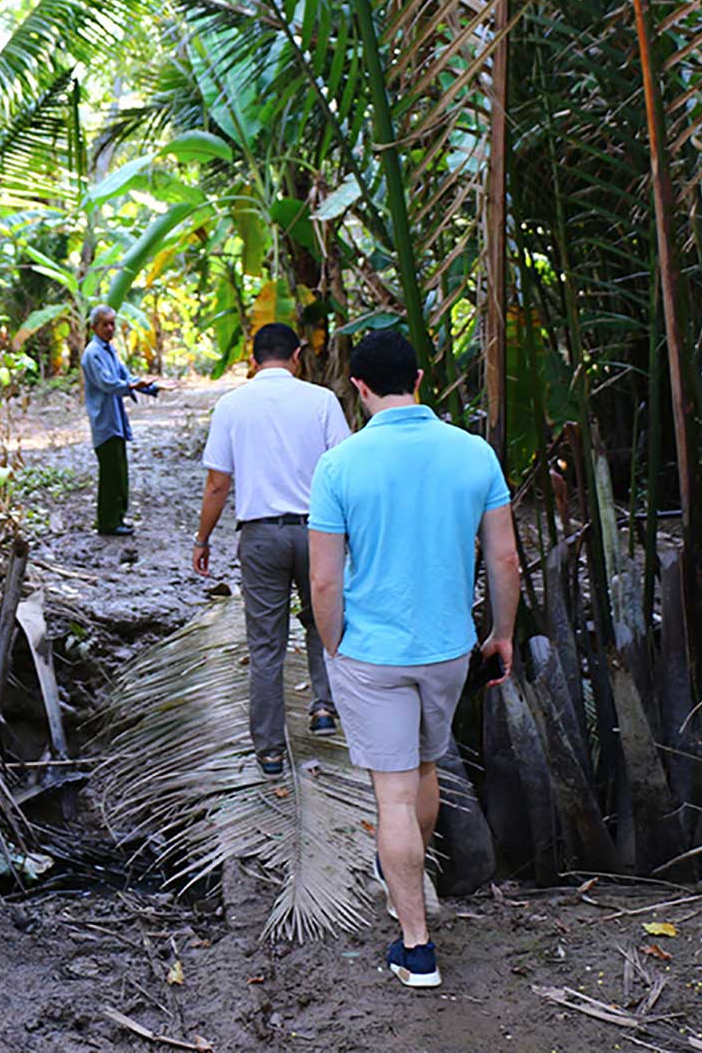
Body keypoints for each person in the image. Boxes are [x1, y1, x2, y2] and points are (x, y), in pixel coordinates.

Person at [307, 330, 519, 991]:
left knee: (393, 793)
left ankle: (417, 947)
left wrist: (334, 644)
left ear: (358, 387)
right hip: (448, 649)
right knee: (424, 768)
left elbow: (323, 581)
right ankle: (408, 871)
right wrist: (502, 634)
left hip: (372, 652)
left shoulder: (339, 465)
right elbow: (505, 557)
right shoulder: (473, 452)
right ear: (420, 380)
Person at [193, 323, 352, 776]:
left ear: (253, 358)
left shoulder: (232, 405)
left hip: (260, 536)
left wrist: (202, 538)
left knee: (266, 644)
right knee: (324, 621)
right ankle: (324, 707)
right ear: (297, 356)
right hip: (319, 531)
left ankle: (269, 750)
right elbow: (344, 469)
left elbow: (218, 483)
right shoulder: (321, 400)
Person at [81, 305, 162, 537]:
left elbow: (125, 376)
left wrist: (151, 387)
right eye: (105, 324)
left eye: (112, 324)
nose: (110, 328)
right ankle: (107, 522)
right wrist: (131, 386)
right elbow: (108, 383)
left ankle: (116, 518)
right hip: (105, 422)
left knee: (119, 472)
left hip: (115, 421)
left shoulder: (110, 350)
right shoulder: (93, 353)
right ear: (94, 327)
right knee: (110, 474)